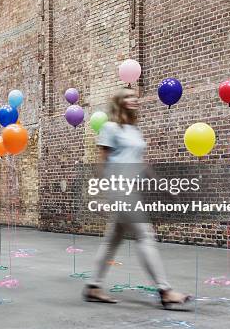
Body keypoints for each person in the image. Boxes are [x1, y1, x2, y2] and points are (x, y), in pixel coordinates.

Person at [82, 88, 191, 308]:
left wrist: (163, 186)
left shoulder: (134, 130)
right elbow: (101, 162)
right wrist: (101, 192)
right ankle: (165, 291)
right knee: (145, 235)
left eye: (134, 97)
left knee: (113, 240)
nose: (134, 100)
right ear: (119, 103)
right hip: (118, 188)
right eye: (128, 97)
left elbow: (141, 162)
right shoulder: (110, 128)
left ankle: (93, 286)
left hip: (131, 188)